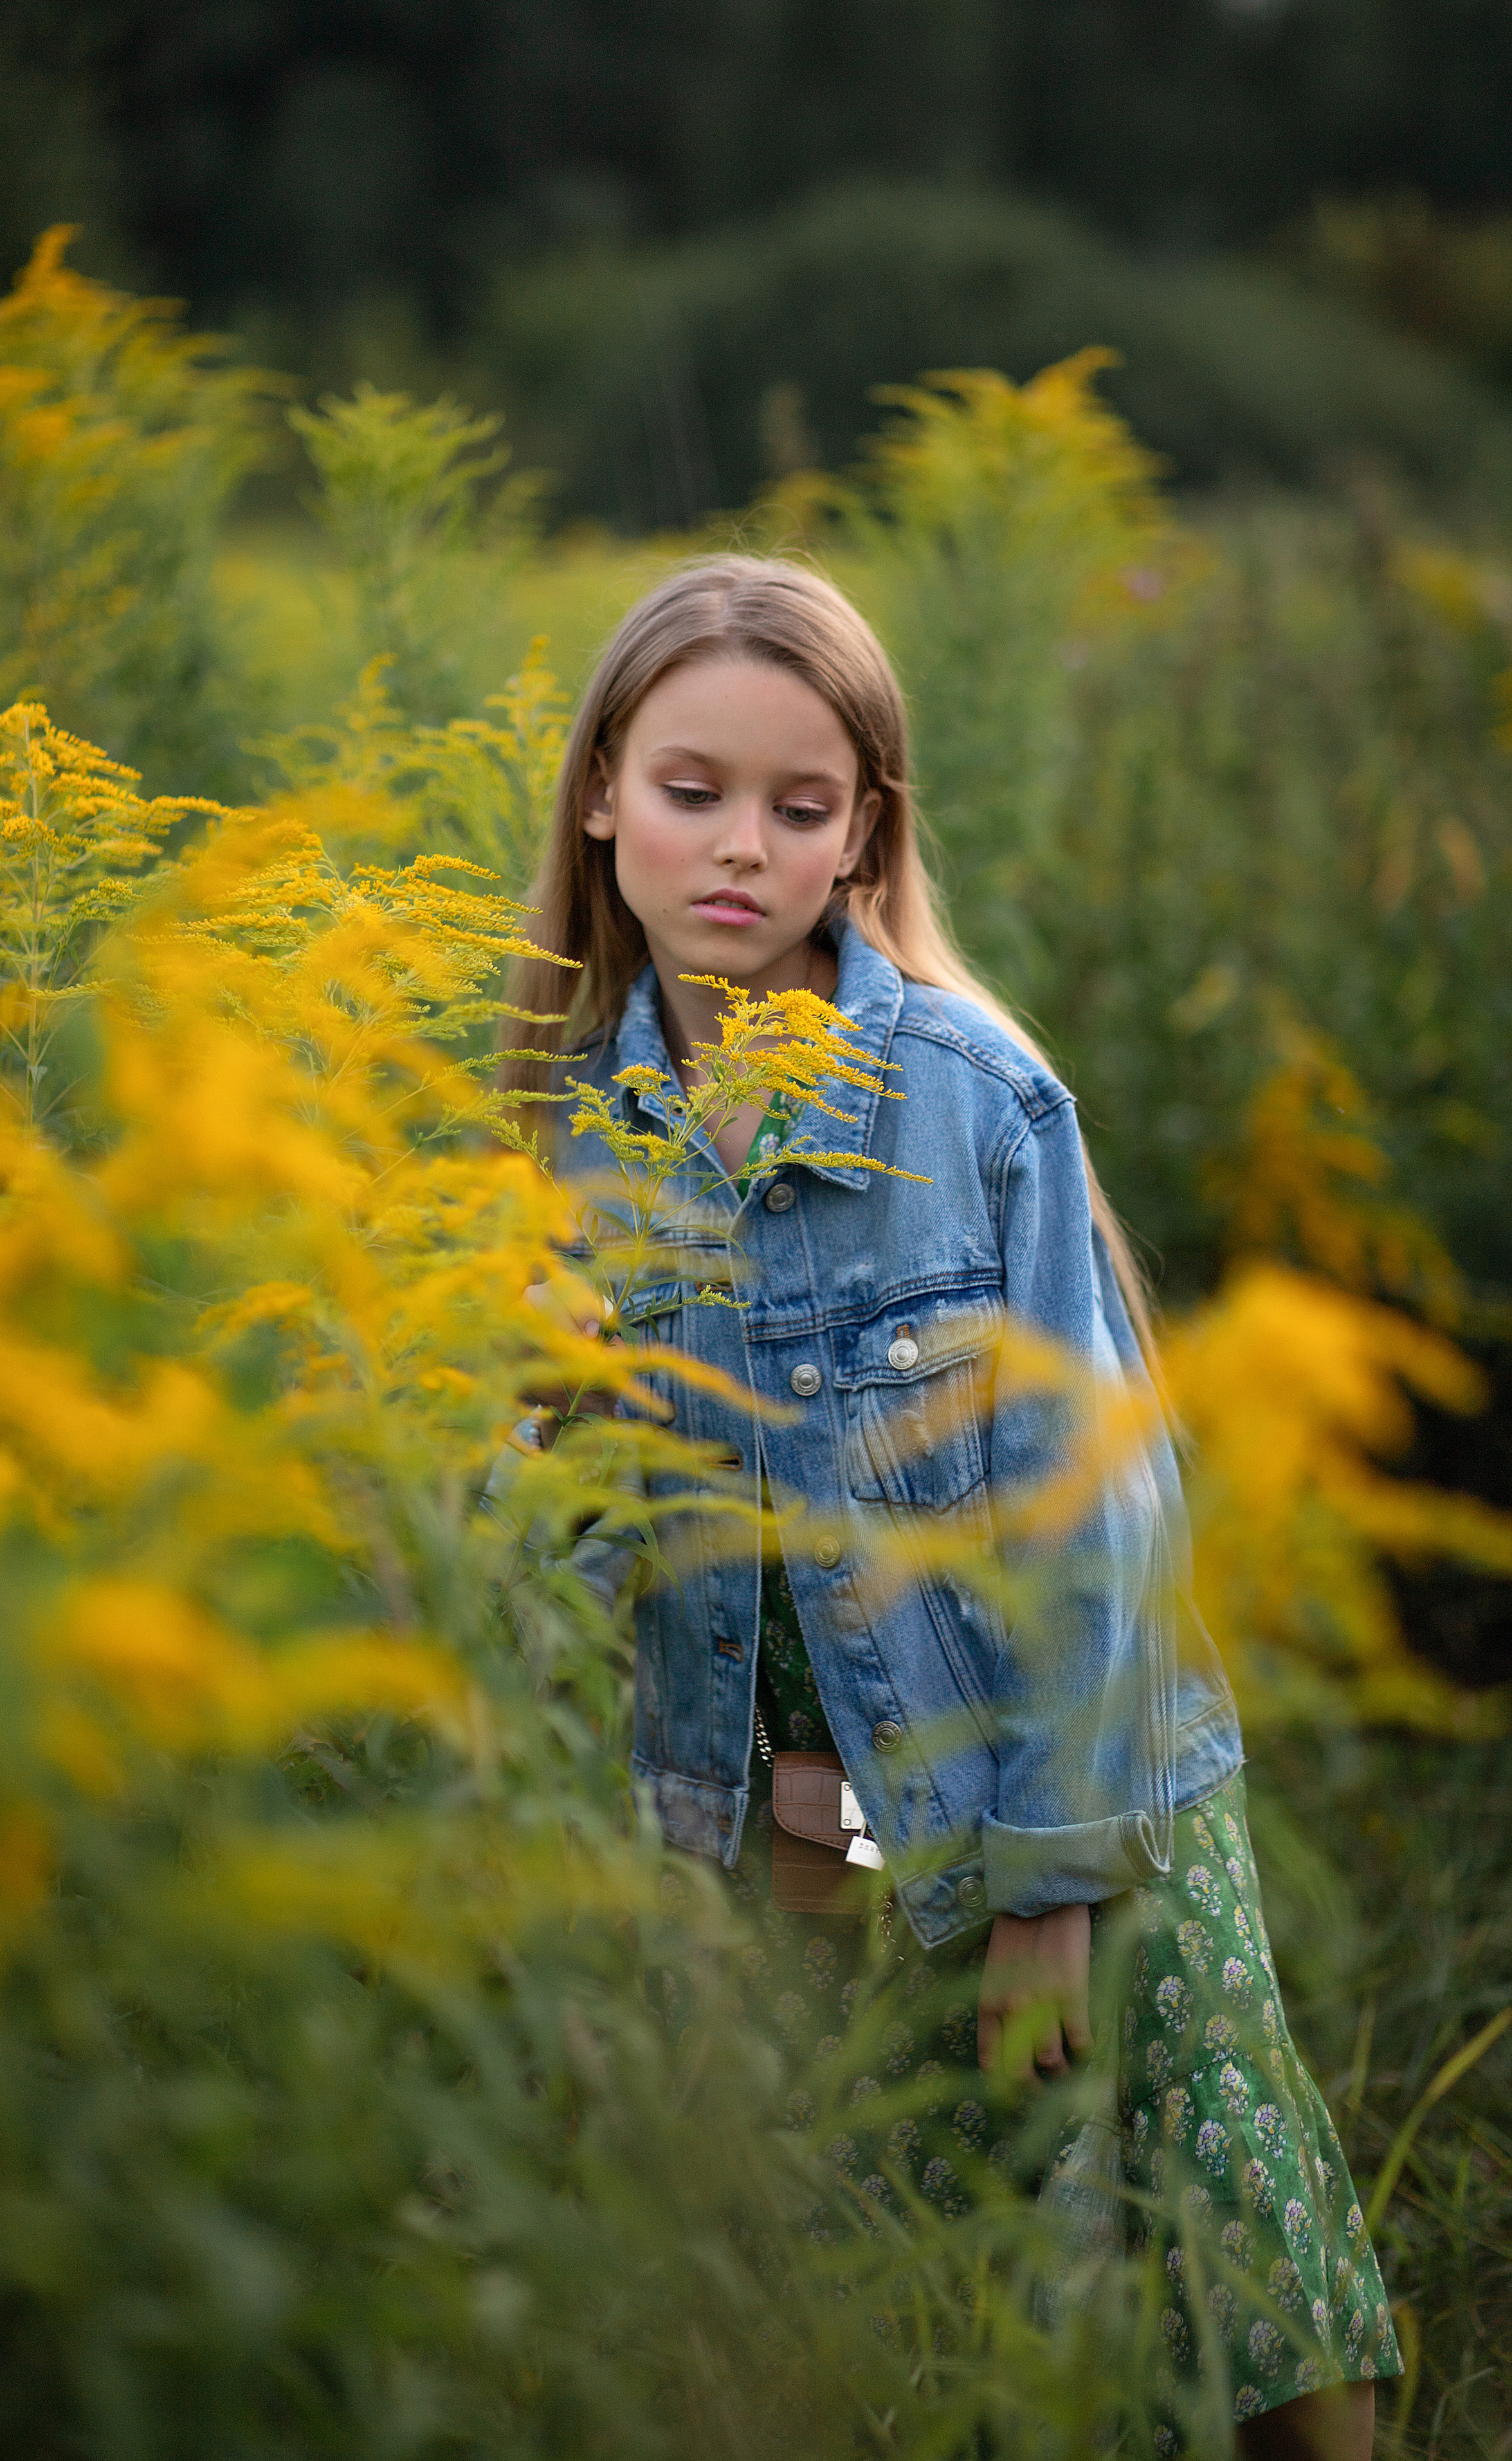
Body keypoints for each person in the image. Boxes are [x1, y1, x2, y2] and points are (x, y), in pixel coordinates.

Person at [494, 554, 1399, 2457]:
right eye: (691, 790)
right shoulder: (562, 1133)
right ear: (599, 792)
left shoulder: (975, 1103)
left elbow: (1093, 1514)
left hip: (1079, 1759)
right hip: (793, 1817)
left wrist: (1055, 1891)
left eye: (799, 808)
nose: (740, 846)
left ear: (862, 836)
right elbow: (548, 1520)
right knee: (957, 2287)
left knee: (1235, 2235)